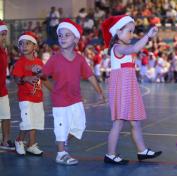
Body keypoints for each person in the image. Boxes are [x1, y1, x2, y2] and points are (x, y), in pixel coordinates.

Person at [32, 18, 105, 165]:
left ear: (75, 39)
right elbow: (44, 75)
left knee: (79, 126)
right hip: (60, 101)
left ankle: (62, 143)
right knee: (62, 126)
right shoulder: (54, 59)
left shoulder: (80, 59)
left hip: (76, 99)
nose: (63, 38)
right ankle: (61, 153)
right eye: (60, 35)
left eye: (67, 35)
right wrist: (38, 71)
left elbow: (90, 76)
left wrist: (100, 92)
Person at [101, 15, 162, 165]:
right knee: (119, 122)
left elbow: (134, 50)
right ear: (117, 32)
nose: (131, 34)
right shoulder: (118, 47)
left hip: (129, 86)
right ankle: (110, 154)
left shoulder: (124, 47)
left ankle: (142, 151)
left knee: (135, 122)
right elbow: (135, 47)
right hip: (122, 87)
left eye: (132, 31)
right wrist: (148, 36)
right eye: (129, 31)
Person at [12, 32, 49, 156]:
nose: (24, 46)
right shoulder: (20, 63)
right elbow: (17, 79)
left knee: (35, 122)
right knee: (27, 122)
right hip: (25, 97)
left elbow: (44, 77)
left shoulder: (39, 62)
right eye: (21, 44)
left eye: (27, 43)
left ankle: (31, 145)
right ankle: (19, 140)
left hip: (38, 98)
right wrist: (26, 79)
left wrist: (41, 73)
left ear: (35, 47)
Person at [0, 21, 15, 150]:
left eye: (5, 34)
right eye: (1, 34)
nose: (3, 37)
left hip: (2, 90)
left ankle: (5, 141)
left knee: (6, 116)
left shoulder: (4, 50)